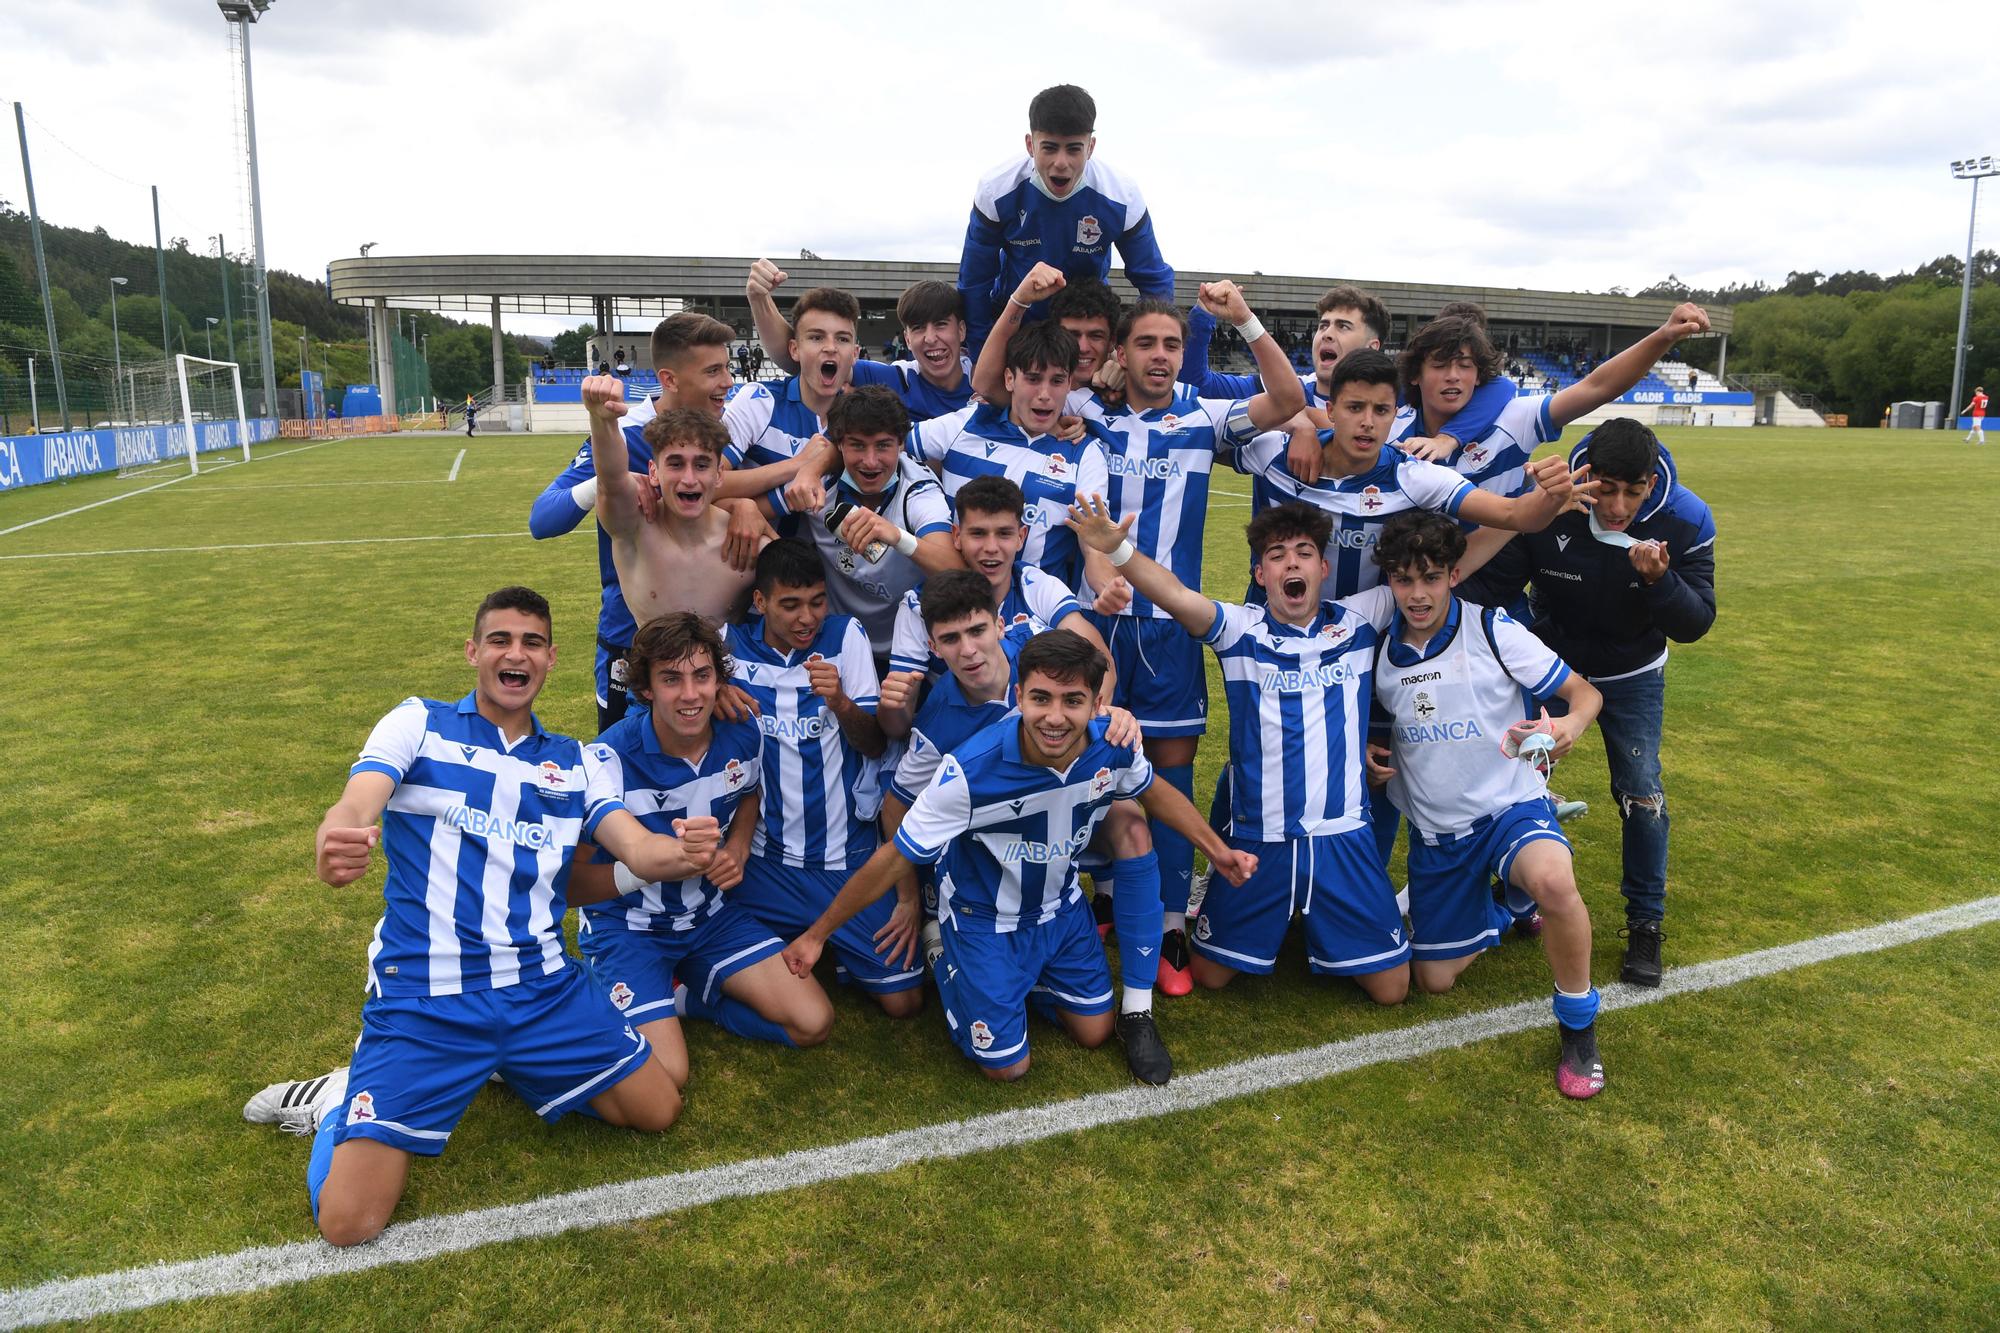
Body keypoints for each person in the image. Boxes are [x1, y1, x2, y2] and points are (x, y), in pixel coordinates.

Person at [242, 587, 721, 1246]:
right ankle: (336, 1100)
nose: (514, 653)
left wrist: (682, 851)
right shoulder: (419, 722)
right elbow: (357, 803)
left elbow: (634, 847)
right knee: (349, 1223)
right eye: (500, 639)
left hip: (542, 992)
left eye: (530, 642)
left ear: (551, 659)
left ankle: (515, 1061)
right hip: (427, 998)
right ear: (474, 651)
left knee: (659, 1107)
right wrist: (337, 835)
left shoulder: (581, 764)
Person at [784, 630, 1253, 1083]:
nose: (1054, 717)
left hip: (1061, 913)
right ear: (1018, 696)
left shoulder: (1110, 746)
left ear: (1096, 704)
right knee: (1008, 1068)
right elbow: (893, 857)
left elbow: (1154, 792)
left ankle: (1020, 982)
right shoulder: (969, 773)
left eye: (1072, 701)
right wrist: (817, 935)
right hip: (984, 921)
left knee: (1094, 1033)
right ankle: (946, 957)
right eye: (1041, 698)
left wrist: (1218, 851)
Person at [1068, 497, 1416, 1002]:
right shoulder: (1240, 629)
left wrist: (1531, 509)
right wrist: (1117, 549)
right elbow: (1174, 594)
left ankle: (1322, 911)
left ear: (1323, 568)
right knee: (1210, 974)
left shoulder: (1362, 618)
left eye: (1303, 552)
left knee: (1391, 990)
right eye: (1277, 555)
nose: (1291, 563)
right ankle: (1259, 900)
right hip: (1260, 838)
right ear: (1260, 572)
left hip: (1343, 836)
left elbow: (1444, 570)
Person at [1071, 283, 1307, 994]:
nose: (1161, 355)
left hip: (1172, 631)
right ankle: (1105, 899)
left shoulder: (1205, 417)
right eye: (1146, 342)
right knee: (1091, 767)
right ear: (1120, 352)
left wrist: (1244, 320)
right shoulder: (1086, 412)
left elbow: (1289, 399)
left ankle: (1171, 923)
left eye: (1172, 344)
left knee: (1168, 775)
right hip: (1099, 623)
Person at [1460, 419, 1717, 986]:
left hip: (1633, 673)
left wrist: (1660, 583)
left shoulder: (1686, 518)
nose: (1617, 505)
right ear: (1588, 476)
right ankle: (1518, 894)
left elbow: (1697, 622)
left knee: (1642, 792)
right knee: (1512, 781)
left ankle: (1645, 924)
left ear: (1652, 483)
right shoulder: (1557, 501)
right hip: (1554, 670)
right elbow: (1488, 584)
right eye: (1605, 489)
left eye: (1633, 491)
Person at [1362, 511, 1607, 1098]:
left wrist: (1571, 722)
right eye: (1403, 579)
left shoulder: (1494, 629)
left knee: (1554, 881)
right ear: (1389, 582)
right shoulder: (1376, 650)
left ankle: (1579, 1024)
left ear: (1453, 575)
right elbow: (1381, 725)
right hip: (1440, 835)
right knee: (1434, 979)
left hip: (1510, 806)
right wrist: (1375, 750)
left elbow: (1585, 692)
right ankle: (1506, 899)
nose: (1417, 594)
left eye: (1431, 577)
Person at [572, 613, 835, 1078]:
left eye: (702, 676)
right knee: (667, 1074)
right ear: (646, 688)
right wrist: (659, 861)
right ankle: (583, 992)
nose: (691, 695)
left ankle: (686, 998)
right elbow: (572, 886)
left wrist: (737, 846)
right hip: (631, 930)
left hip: (710, 919)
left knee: (813, 1023)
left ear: (720, 681)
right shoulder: (606, 759)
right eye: (671, 679)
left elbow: (749, 791)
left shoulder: (743, 732)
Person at [527, 312, 775, 732]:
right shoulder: (627, 430)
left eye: (728, 368)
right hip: (630, 639)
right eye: (714, 371)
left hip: (708, 661)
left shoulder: (721, 434)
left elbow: (723, 491)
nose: (728, 382)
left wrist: (744, 504)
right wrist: (612, 483)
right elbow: (543, 518)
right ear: (671, 379)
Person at [726, 541, 925, 1015]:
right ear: (760, 603)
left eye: (816, 602)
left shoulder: (844, 637)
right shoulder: (729, 646)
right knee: (716, 951)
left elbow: (876, 745)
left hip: (845, 860)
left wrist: (840, 704)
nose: (807, 618)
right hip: (764, 863)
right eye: (790, 605)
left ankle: (833, 949)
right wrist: (716, 698)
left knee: (904, 1001)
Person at [957, 84, 1173, 355]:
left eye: (1073, 149)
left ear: (1091, 147)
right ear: (1030, 144)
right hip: (1018, 327)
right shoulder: (995, 189)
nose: (1061, 162)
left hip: (1085, 333)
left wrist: (1131, 355)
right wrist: (980, 352)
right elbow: (975, 282)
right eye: (1049, 148)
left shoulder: (1123, 195)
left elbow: (1154, 281)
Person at [906, 321, 1116, 597]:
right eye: (1032, 378)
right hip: (952, 606)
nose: (1044, 394)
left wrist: (1107, 586)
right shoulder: (968, 423)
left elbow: (1093, 540)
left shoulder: (1085, 453)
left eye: (1056, 381)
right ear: (1009, 379)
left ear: (1068, 385)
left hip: (1037, 623)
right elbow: (888, 444)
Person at [883, 475, 1106, 698]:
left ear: (1021, 537)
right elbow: (897, 725)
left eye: (1004, 533)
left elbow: (1101, 662)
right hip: (955, 731)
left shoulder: (1036, 585)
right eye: (978, 533)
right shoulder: (917, 605)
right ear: (957, 537)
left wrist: (1099, 714)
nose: (991, 547)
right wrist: (894, 705)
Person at [793, 386, 962, 664]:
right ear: (839, 445)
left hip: (908, 652)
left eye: (883, 446)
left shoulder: (919, 491)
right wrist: (745, 508)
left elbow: (954, 569)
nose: (870, 461)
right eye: (857, 445)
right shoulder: (817, 487)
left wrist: (897, 536)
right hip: (839, 647)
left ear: (901, 444)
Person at [586, 384, 760, 629]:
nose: (689, 479)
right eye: (676, 464)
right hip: (650, 664)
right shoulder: (633, 528)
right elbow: (611, 481)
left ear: (719, 474)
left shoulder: (747, 543)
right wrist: (602, 422)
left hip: (723, 667)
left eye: (701, 465)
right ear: (653, 473)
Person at [748, 268, 977, 421]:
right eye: (917, 328)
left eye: (940, 325)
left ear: (961, 330)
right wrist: (760, 300)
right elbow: (801, 363)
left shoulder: (989, 382)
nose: (929, 338)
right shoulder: (894, 380)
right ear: (907, 339)